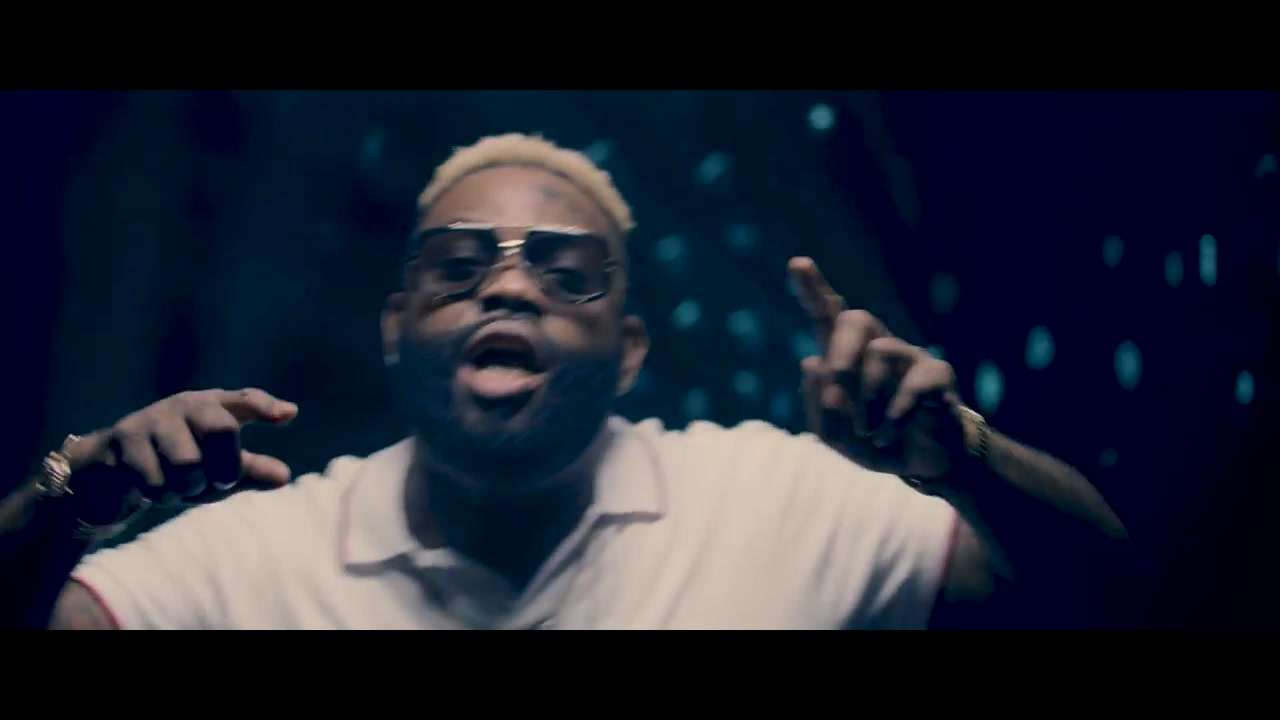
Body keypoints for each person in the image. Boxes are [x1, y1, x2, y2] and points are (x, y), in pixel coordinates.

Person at [0, 133, 1131, 630]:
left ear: (631, 348)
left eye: (566, 270)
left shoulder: (777, 501)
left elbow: (1110, 598)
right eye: (459, 264)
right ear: (396, 328)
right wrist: (63, 500)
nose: (507, 286)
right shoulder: (258, 559)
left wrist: (963, 456)